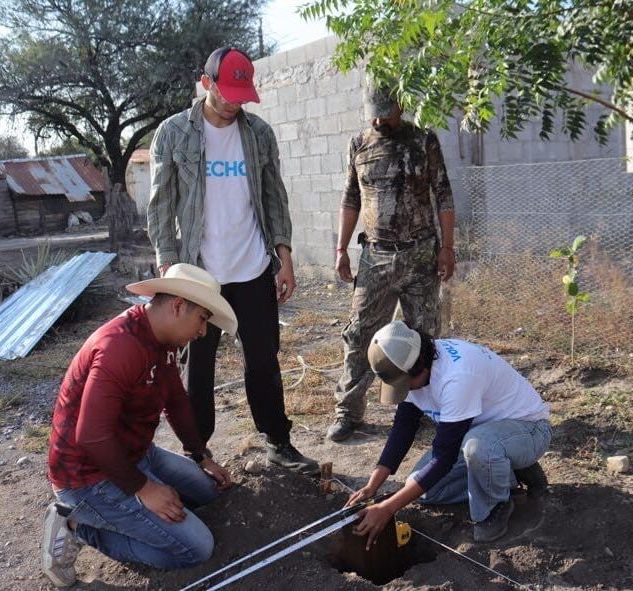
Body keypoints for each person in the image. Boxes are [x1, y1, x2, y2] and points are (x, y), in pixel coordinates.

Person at [147, 47, 318, 474]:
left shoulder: (259, 134)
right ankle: (198, 454)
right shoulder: (173, 134)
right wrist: (168, 266)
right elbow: (160, 206)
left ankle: (278, 442)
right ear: (206, 83)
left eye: (242, 96)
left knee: (264, 363)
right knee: (197, 373)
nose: (234, 104)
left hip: (253, 269)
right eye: (227, 94)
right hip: (198, 275)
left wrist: (284, 255)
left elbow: (274, 197)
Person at [42, 264, 237, 587]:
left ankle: (138, 513)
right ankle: (79, 528)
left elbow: (176, 400)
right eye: (202, 318)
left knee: (207, 491)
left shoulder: (162, 341)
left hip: (137, 455)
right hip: (88, 477)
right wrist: (144, 488)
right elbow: (91, 435)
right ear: (178, 306)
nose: (203, 331)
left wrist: (201, 455)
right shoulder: (120, 346)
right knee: (197, 548)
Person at [327, 81, 456, 442]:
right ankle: (348, 412)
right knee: (359, 334)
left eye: (386, 113)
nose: (379, 121)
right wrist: (341, 249)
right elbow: (350, 198)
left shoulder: (424, 141)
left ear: (400, 105)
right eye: (374, 115)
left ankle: (424, 409)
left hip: (420, 255)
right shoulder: (358, 144)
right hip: (375, 257)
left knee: (424, 336)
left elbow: (443, 194)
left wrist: (447, 247)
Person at [346, 321, 551, 545]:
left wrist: (388, 508)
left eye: (406, 384)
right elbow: (403, 428)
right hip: (476, 432)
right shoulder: (411, 362)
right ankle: (508, 473)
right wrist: (372, 485)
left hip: (528, 430)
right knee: (424, 489)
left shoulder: (457, 376)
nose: (406, 390)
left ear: (420, 366)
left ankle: (495, 507)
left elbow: (444, 458)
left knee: (479, 447)